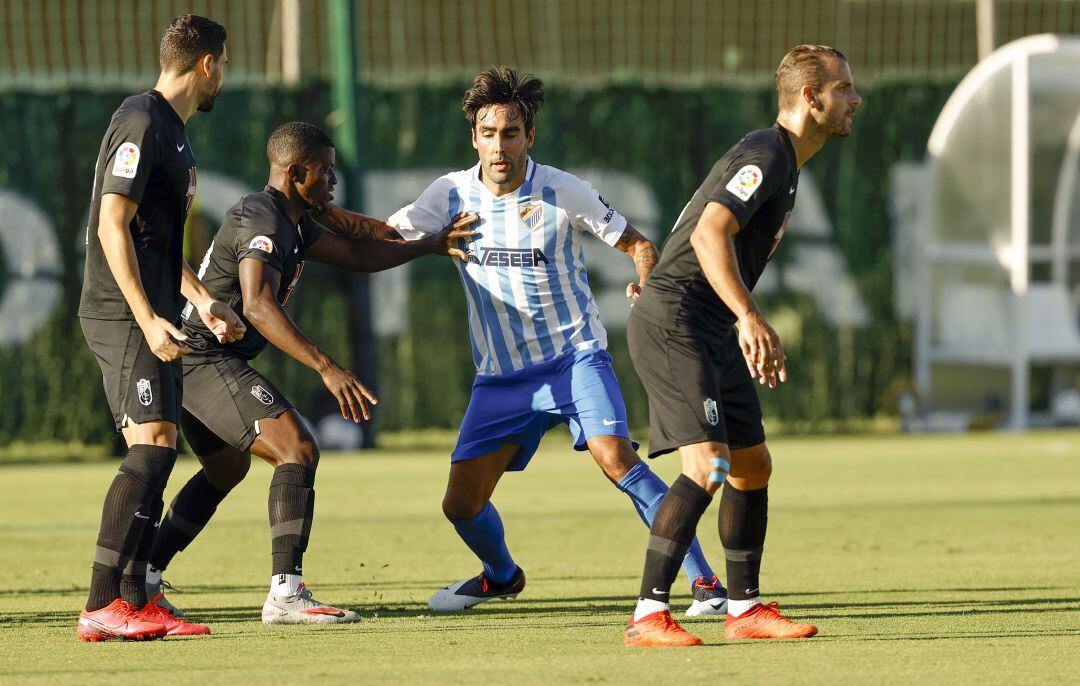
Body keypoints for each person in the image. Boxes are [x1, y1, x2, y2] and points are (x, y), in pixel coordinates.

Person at [387, 66, 727, 615]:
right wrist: (320, 219)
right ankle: (501, 576)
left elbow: (638, 243)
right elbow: (383, 235)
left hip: (574, 357)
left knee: (616, 458)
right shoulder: (448, 193)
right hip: (501, 377)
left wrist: (646, 274)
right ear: (474, 136)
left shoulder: (562, 189)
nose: (500, 146)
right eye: (490, 133)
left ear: (529, 136)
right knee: (460, 505)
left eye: (512, 133)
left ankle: (706, 584)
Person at [142, 122, 475, 625]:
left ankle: (143, 575)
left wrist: (426, 245)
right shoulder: (261, 216)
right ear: (297, 173)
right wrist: (326, 366)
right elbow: (255, 303)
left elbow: (359, 252)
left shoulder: (294, 219)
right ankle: (286, 594)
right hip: (204, 359)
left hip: (207, 362)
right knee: (297, 448)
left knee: (226, 470)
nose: (333, 180)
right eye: (327, 171)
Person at [621, 45, 862, 647]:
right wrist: (749, 315)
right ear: (812, 98)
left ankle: (743, 608)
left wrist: (736, 320)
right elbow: (708, 232)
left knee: (752, 467)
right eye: (845, 89)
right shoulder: (767, 154)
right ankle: (648, 616)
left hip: (708, 324)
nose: (855, 99)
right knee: (707, 467)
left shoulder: (785, 160)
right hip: (679, 321)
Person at [76, 14, 245, 642]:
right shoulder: (142, 122)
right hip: (123, 312)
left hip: (154, 309)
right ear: (206, 63)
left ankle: (134, 597)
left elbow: (153, 241)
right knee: (151, 443)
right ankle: (102, 604)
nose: (224, 74)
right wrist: (146, 318)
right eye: (223, 62)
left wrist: (200, 301)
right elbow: (110, 226)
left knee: (161, 444)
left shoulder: (171, 131)